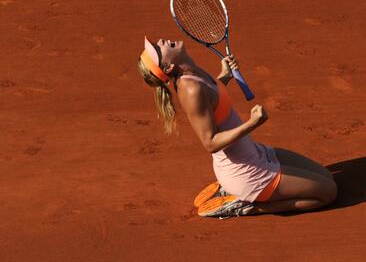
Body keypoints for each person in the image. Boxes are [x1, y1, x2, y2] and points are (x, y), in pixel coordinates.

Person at [137, 37, 337, 218]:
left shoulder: (194, 74)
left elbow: (212, 100)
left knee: (326, 176)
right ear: (169, 67)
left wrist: (224, 76)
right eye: (158, 49)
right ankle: (246, 205)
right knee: (327, 193)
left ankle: (235, 191)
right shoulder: (191, 89)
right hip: (247, 173)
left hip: (255, 153)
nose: (161, 41)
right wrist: (252, 123)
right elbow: (210, 142)